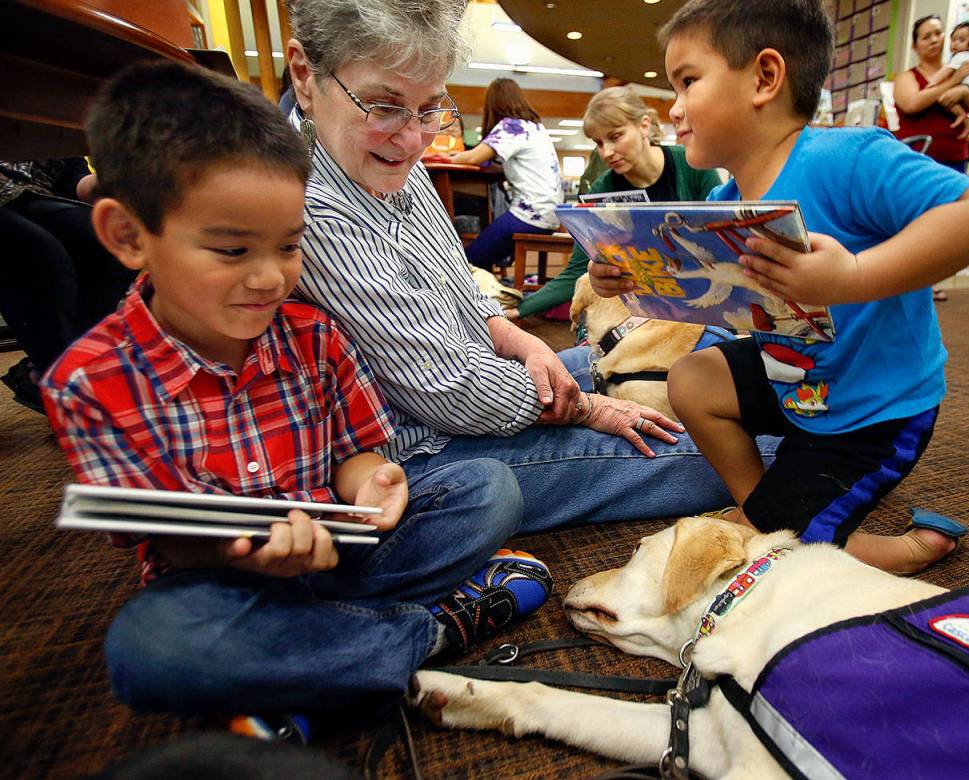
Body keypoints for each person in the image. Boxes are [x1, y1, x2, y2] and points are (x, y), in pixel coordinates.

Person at [40, 60, 553, 719]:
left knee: (486, 490)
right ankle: (431, 632)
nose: (268, 279)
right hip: (225, 583)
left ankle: (300, 678)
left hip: (345, 554)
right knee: (151, 648)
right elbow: (164, 536)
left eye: (288, 246)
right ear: (128, 235)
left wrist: (373, 484)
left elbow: (358, 457)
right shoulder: (88, 382)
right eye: (231, 251)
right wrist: (251, 553)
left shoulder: (314, 333)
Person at [284, 0, 773, 535]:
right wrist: (589, 408)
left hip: (481, 385)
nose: (412, 138)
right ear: (305, 76)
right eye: (384, 106)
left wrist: (528, 344)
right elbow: (447, 390)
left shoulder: (391, 162)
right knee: (743, 453)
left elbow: (464, 294)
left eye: (429, 110)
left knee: (699, 363)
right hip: (426, 448)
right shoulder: (303, 203)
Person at [591, 0, 969, 574]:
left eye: (688, 82)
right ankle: (764, 507)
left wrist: (853, 277)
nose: (675, 109)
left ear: (764, 78)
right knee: (692, 378)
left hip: (873, 412)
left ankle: (882, 549)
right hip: (796, 380)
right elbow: (697, 294)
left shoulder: (849, 157)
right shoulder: (719, 203)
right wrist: (624, 276)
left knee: (775, 552)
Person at [507, 86, 721, 321]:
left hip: (702, 303)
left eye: (615, 136)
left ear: (644, 126)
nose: (606, 152)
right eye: (598, 143)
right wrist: (520, 309)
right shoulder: (602, 189)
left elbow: (720, 245)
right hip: (638, 309)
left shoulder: (693, 167)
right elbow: (578, 269)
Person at [0, 158, 136, 412]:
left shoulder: (55, 122)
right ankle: (70, 390)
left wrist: (129, 174)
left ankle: (51, 373)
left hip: (32, 198)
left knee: (113, 241)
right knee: (40, 252)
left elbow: (75, 183)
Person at [446, 78, 563, 271]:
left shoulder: (512, 126)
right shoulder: (535, 127)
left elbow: (474, 158)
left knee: (466, 263)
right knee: (480, 256)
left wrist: (440, 157)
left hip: (529, 216)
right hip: (551, 217)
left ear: (494, 104)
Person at [893, 15, 969, 173]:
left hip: (954, 159)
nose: (934, 40)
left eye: (938, 33)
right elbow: (912, 104)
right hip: (915, 159)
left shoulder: (962, 69)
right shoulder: (907, 77)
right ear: (915, 46)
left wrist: (964, 91)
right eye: (926, 37)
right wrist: (953, 82)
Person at [924, 21, 969, 94]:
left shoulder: (960, 56)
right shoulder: (968, 57)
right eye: (953, 39)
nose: (956, 43)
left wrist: (930, 83)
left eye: (962, 40)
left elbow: (944, 72)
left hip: (967, 88)